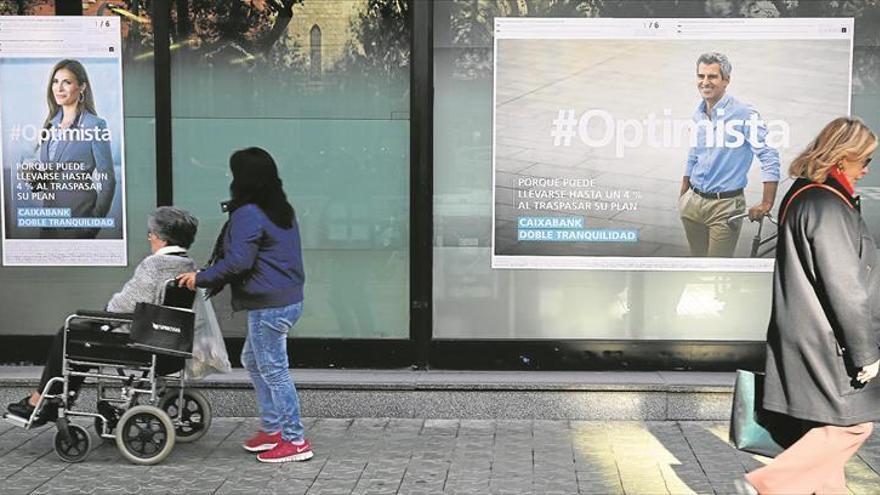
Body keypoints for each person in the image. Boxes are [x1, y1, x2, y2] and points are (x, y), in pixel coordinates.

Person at [740, 118, 880, 494]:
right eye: (864, 160)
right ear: (841, 158)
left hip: (806, 334)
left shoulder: (804, 194)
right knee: (851, 424)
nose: (867, 169)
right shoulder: (825, 203)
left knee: (821, 431)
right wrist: (866, 353)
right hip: (827, 342)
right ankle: (768, 485)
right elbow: (844, 287)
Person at [176, 147, 311, 463]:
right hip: (285, 299)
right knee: (253, 359)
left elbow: (239, 261)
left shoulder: (249, 212)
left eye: (233, 172)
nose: (229, 177)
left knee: (274, 370)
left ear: (244, 178)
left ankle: (295, 440)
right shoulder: (279, 208)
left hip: (270, 305)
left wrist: (201, 278)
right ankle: (273, 429)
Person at [6, 206, 198, 422]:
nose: (149, 238)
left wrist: (105, 316)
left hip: (138, 341)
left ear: (160, 237)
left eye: (151, 234)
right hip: (166, 342)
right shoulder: (187, 264)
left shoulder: (155, 264)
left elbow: (127, 304)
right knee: (82, 339)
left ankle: (40, 402)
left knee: (70, 333)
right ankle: (54, 399)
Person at [678, 52, 780, 257]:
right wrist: (683, 194)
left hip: (725, 207)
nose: (705, 82)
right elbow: (694, 153)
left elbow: (769, 155)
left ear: (726, 80)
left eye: (712, 76)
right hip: (692, 204)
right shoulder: (698, 113)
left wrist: (767, 203)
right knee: (696, 267)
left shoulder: (744, 113)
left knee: (717, 271)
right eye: (701, 76)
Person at [36, 59, 116, 239]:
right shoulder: (50, 126)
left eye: (67, 82)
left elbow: (108, 180)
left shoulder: (94, 125)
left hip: (78, 224)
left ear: (82, 87)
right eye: (55, 82)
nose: (59, 88)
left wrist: (92, 225)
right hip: (48, 225)